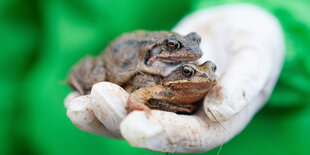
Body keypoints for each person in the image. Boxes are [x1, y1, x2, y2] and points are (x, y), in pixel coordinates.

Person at [65, 4, 284, 153]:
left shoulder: (179, 67)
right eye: (172, 47)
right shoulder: (146, 70)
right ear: (154, 55)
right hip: (108, 62)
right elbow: (139, 94)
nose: (195, 52)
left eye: (196, 42)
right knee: (95, 82)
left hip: (261, 141)